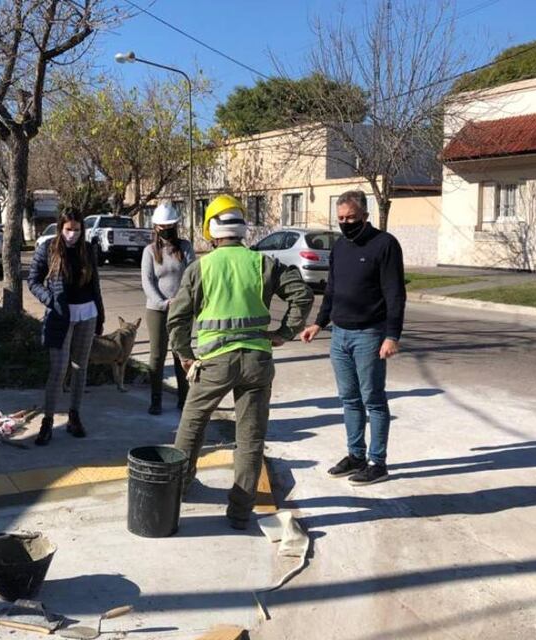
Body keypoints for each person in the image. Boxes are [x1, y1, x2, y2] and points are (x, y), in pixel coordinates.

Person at [168, 194, 314, 529]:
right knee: (250, 438)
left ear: (211, 230)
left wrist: (186, 356)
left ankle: (176, 490)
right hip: (257, 362)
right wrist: (284, 332)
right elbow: (302, 295)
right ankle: (239, 512)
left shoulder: (200, 267)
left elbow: (177, 320)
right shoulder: (263, 263)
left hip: (215, 362)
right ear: (243, 228)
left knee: (191, 426)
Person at [301, 190, 406, 485]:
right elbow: (332, 290)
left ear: (365, 216)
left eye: (351, 218)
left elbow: (395, 294)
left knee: (372, 399)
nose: (346, 224)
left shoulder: (384, 244)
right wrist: (319, 324)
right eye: (341, 219)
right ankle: (356, 455)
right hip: (340, 335)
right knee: (349, 399)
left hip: (370, 334)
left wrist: (392, 335)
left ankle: (377, 461)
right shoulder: (340, 248)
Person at [27, 210, 105, 446]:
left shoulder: (88, 250)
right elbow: (33, 280)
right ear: (61, 227)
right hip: (60, 317)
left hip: (87, 313)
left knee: (80, 368)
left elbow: (95, 284)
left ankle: (74, 416)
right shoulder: (48, 248)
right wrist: (49, 299)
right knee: (59, 370)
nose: (72, 234)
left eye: (77, 229)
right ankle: (48, 421)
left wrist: (100, 316)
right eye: (68, 229)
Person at [141, 202, 195, 416]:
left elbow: (192, 276)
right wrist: (164, 303)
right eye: (162, 226)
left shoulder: (185, 247)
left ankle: (184, 399)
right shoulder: (150, 251)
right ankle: (156, 400)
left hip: (181, 310)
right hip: (157, 310)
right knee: (157, 355)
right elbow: (147, 282)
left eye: (170, 225)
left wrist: (181, 302)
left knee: (180, 353)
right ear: (155, 227)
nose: (166, 230)